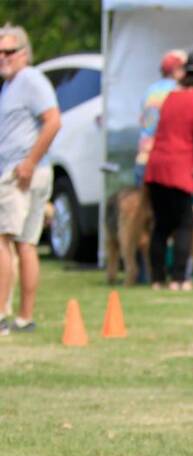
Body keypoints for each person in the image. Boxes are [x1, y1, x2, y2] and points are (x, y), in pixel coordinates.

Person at [0, 24, 60, 336]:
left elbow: (53, 120)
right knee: (25, 243)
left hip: (22, 172)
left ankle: (2, 317)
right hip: (26, 170)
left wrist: (29, 163)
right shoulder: (11, 85)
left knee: (4, 240)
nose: (2, 57)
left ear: (24, 53)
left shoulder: (30, 80)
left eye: (8, 51)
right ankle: (24, 319)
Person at [143, 49, 193, 291]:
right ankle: (178, 278)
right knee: (185, 223)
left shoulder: (171, 97)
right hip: (179, 168)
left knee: (161, 225)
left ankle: (156, 279)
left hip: (156, 167)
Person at [134, 49, 186, 186]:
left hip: (144, 158)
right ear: (177, 70)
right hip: (167, 164)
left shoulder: (151, 90)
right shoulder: (179, 92)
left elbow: (147, 124)